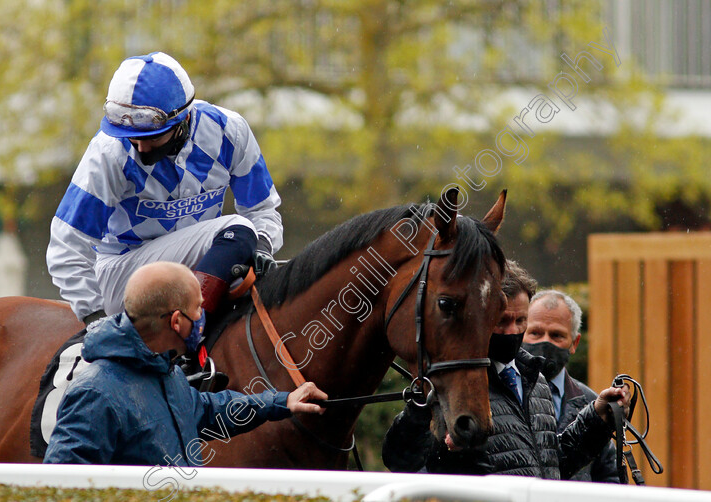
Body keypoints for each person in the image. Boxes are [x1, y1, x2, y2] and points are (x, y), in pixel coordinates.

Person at [47, 52, 282, 327]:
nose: (141, 147)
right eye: (132, 137)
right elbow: (66, 247)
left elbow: (262, 210)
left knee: (249, 257)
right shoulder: (109, 151)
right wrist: (98, 319)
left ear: (183, 119)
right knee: (237, 232)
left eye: (152, 137)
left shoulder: (230, 131)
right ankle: (190, 331)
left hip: (193, 272)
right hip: (120, 278)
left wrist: (263, 247)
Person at [43, 262, 327, 465]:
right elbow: (62, 487)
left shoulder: (167, 372)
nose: (202, 318)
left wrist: (282, 402)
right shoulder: (94, 394)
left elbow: (208, 410)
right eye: (198, 309)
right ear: (177, 321)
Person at [381, 260, 629, 479]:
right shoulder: (455, 384)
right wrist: (436, 435)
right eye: (502, 321)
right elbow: (403, 461)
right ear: (482, 318)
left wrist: (597, 418)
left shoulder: (536, 380)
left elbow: (553, 467)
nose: (512, 331)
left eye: (520, 320)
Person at [523, 289, 620, 483]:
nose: (545, 342)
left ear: (574, 343)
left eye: (556, 335)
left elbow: (608, 478)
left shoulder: (591, 403)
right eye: (535, 333)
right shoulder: (503, 394)